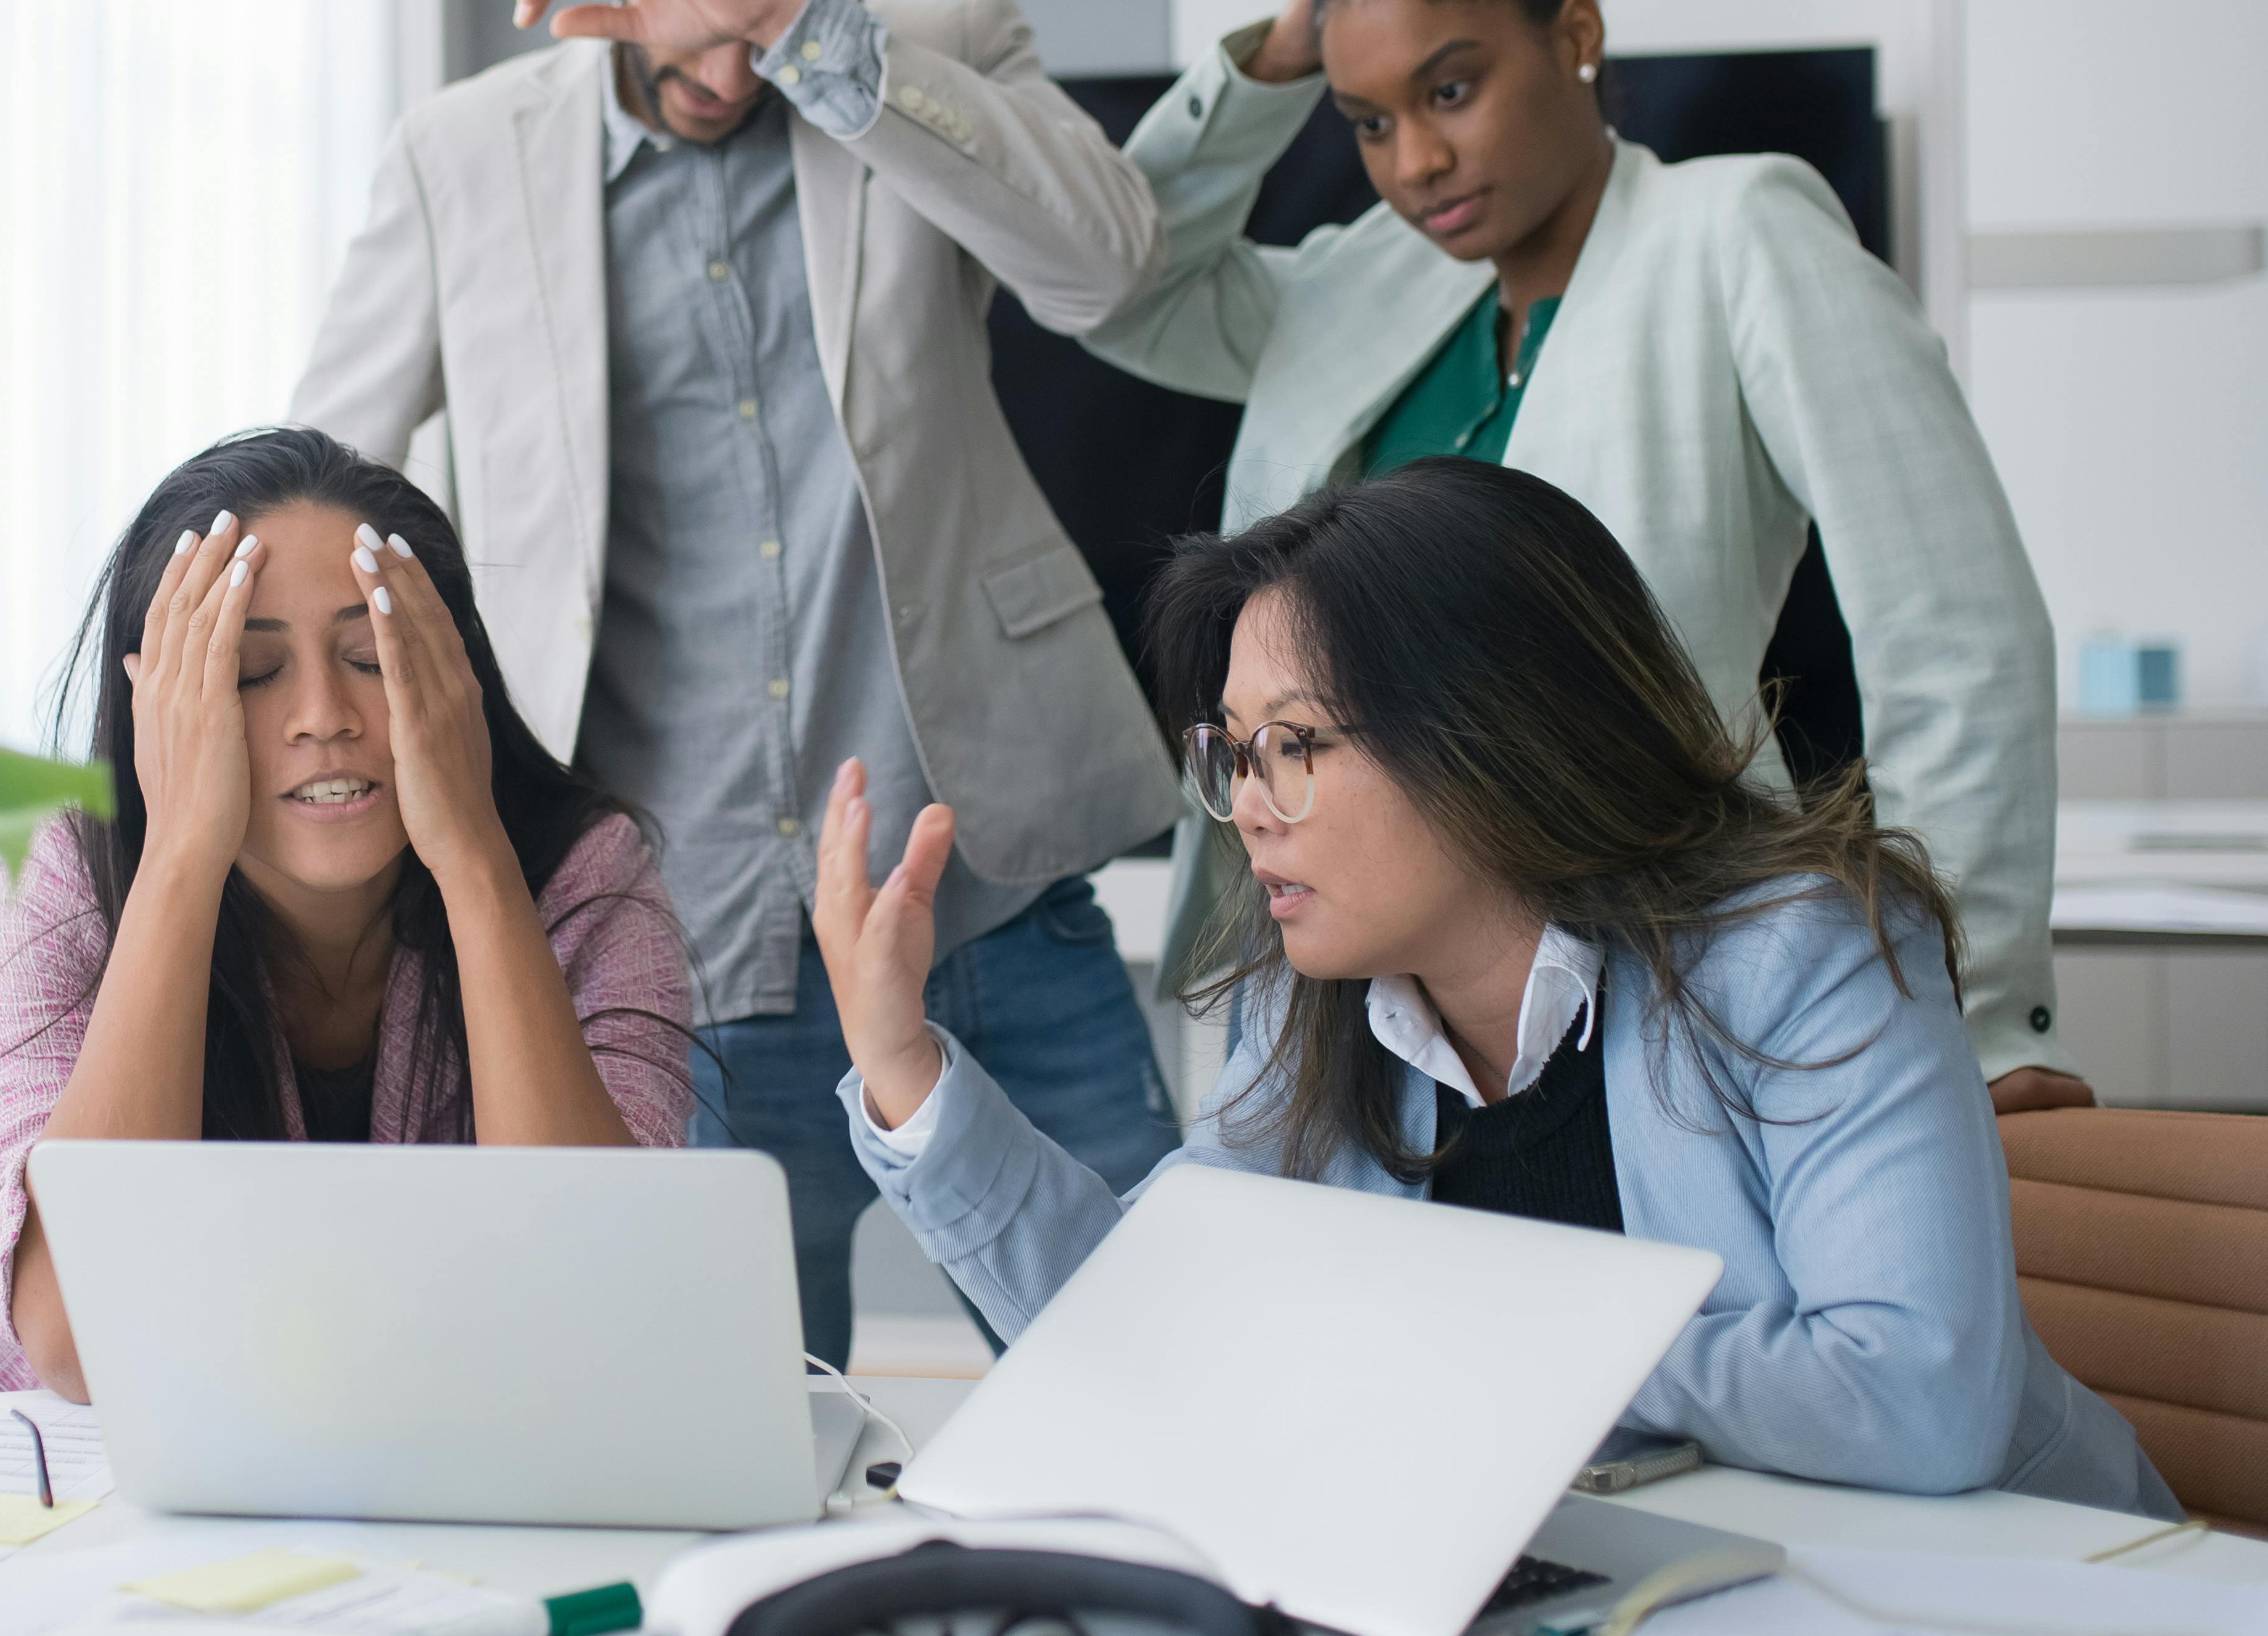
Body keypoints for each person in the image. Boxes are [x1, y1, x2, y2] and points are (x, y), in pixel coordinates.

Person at [293, 0, 1181, 1365]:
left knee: (1159, 1369)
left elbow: (1106, 267)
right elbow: (323, 495)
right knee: (744, 1452)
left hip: (982, 891)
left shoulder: (941, 43)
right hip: (666, 953)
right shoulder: (460, 158)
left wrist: (810, 29)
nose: (720, 54)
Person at [814, 458, 2173, 1513]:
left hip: (2015, 1608)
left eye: (1291, 746)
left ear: (1481, 737)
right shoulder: (1314, 1002)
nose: (1245, 809)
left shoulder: (1801, 954)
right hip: (1656, 1595)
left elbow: (1918, 1404)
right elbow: (1152, 1325)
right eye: (1229, 752)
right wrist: (903, 1068)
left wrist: (1471, 1339)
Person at [1091, 0, 2087, 1113]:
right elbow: (1121, 285)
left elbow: (1949, 631)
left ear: (1574, 36)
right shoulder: (1358, 288)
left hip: (1659, 984)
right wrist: (1283, 37)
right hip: (1349, 1013)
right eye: (1366, 120)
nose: (1414, 161)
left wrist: (1970, 1015)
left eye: (1450, 89)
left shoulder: (1735, 235)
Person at [0, 429, 692, 1401]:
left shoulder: (586, 877)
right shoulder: (64, 879)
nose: (323, 715)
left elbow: (602, 1300)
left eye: (372, 658)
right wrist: (177, 860)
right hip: (64, 1483)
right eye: (252, 674)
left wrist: (473, 859)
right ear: (160, 704)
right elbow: (81, 1348)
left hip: (457, 1479)